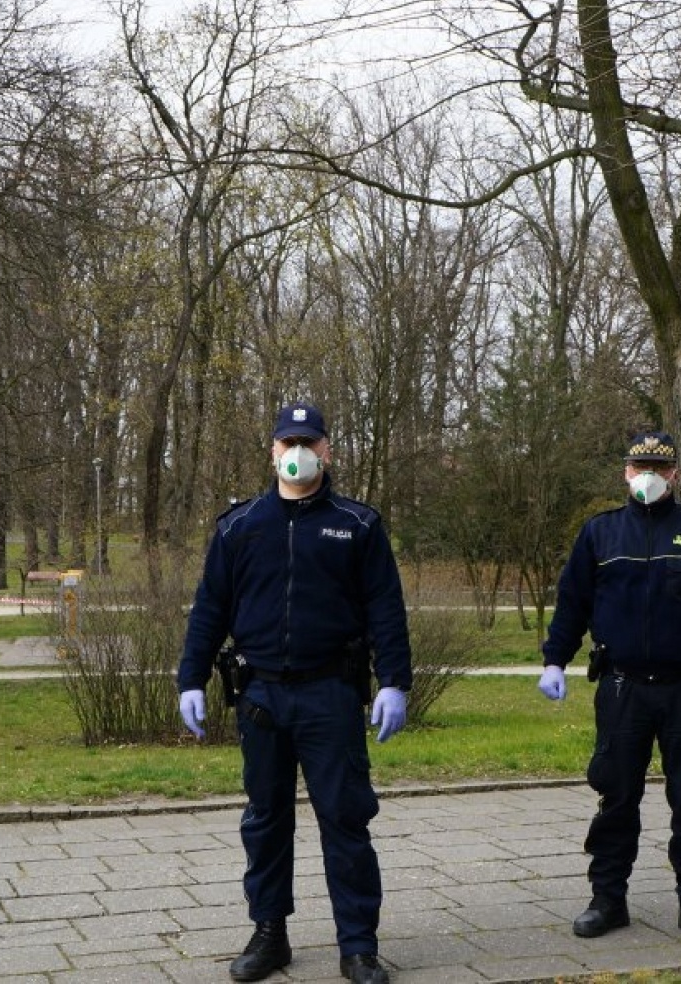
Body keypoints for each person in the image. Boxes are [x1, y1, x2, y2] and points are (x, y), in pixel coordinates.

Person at [177, 401, 414, 984]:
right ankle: (269, 934)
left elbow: (386, 608)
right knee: (264, 819)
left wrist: (395, 683)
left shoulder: (357, 525)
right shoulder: (239, 526)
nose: (298, 453)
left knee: (346, 820)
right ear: (273, 451)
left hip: (330, 693)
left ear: (327, 451)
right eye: (288, 443)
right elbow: (210, 607)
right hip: (261, 696)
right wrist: (190, 678)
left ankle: (358, 945)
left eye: (309, 442)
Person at [537, 430, 681, 948]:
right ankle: (608, 900)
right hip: (622, 687)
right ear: (625, 473)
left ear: (675, 474)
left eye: (658, 469)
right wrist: (555, 660)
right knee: (615, 797)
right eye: (639, 468)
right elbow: (572, 602)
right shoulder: (600, 534)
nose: (648, 477)